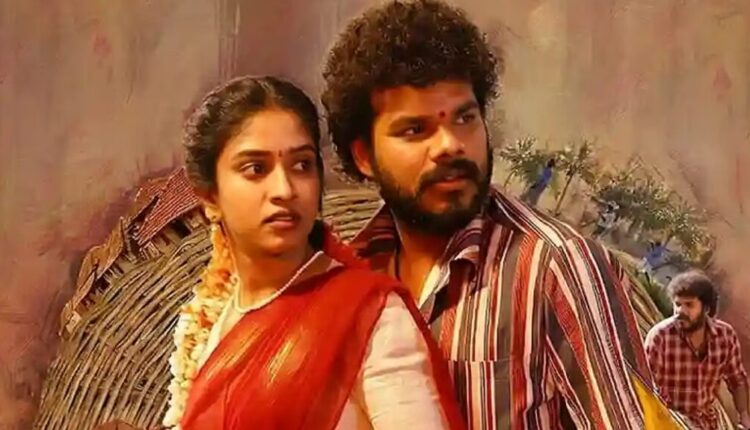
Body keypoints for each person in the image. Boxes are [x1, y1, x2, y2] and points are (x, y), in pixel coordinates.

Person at [322, 1, 685, 428]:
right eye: (415, 129)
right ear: (364, 156)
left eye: (465, 118)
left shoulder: (557, 266)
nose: (450, 145)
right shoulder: (348, 272)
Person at [162, 76, 465, 430]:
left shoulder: (367, 314)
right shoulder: (212, 325)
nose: (284, 189)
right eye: (256, 169)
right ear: (210, 197)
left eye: (302, 165)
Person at [645, 271, 750, 429]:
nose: (680, 311)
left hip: (708, 420)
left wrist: (744, 416)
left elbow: (737, 380)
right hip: (669, 419)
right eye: (678, 304)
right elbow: (645, 386)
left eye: (689, 305)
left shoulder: (725, 336)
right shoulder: (660, 337)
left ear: (706, 309)